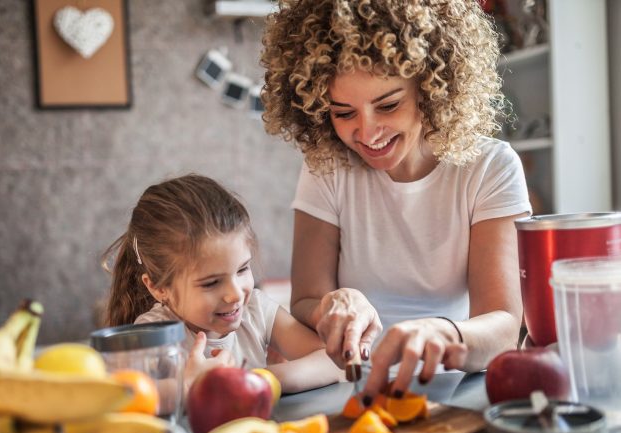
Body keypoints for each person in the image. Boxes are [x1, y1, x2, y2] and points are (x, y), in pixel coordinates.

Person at [261, 3, 530, 406]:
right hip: (350, 385)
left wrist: (441, 333)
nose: (366, 133)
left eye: (387, 105)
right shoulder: (328, 167)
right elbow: (304, 301)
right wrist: (330, 307)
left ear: (431, 88)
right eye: (343, 112)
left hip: (455, 385)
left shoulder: (490, 168)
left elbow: (505, 326)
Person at [102, 174, 343, 395]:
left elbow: (334, 361)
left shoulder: (256, 310)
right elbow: (123, 396)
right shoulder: (153, 333)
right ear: (157, 288)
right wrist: (191, 386)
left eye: (242, 269)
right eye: (211, 283)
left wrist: (255, 381)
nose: (235, 294)